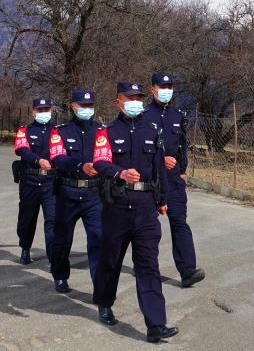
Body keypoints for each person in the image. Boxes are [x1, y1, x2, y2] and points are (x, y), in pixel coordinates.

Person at [92, 81, 178, 343]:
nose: (135, 102)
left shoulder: (152, 131)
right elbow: (100, 161)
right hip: (117, 206)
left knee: (148, 266)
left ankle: (156, 324)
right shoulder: (106, 132)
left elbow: (159, 169)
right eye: (129, 98)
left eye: (139, 98)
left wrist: (162, 199)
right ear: (118, 102)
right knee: (111, 260)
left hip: (144, 208)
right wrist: (119, 173)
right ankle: (105, 303)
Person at [144, 72, 205, 288]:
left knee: (180, 223)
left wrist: (182, 170)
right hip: (150, 180)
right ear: (152, 89)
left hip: (173, 180)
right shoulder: (143, 115)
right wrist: (160, 160)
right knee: (148, 228)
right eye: (162, 86)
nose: (167, 90)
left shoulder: (177, 115)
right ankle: (146, 269)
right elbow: (137, 150)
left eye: (170, 86)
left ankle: (188, 270)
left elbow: (182, 146)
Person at [48, 89, 102, 293]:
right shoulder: (59, 131)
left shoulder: (101, 131)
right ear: (73, 106)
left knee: (98, 239)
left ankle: (100, 286)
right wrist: (80, 165)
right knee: (62, 239)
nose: (87, 109)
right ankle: (60, 276)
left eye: (90, 105)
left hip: (94, 194)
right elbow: (57, 158)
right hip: (67, 193)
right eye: (83, 105)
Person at [14, 97, 57, 265]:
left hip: (51, 182)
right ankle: (25, 247)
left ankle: (53, 255)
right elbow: (22, 150)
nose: (43, 113)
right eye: (40, 110)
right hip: (30, 180)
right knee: (27, 218)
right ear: (33, 112)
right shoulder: (24, 131)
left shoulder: (58, 131)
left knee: (52, 220)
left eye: (46, 110)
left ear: (51, 111)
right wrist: (38, 160)